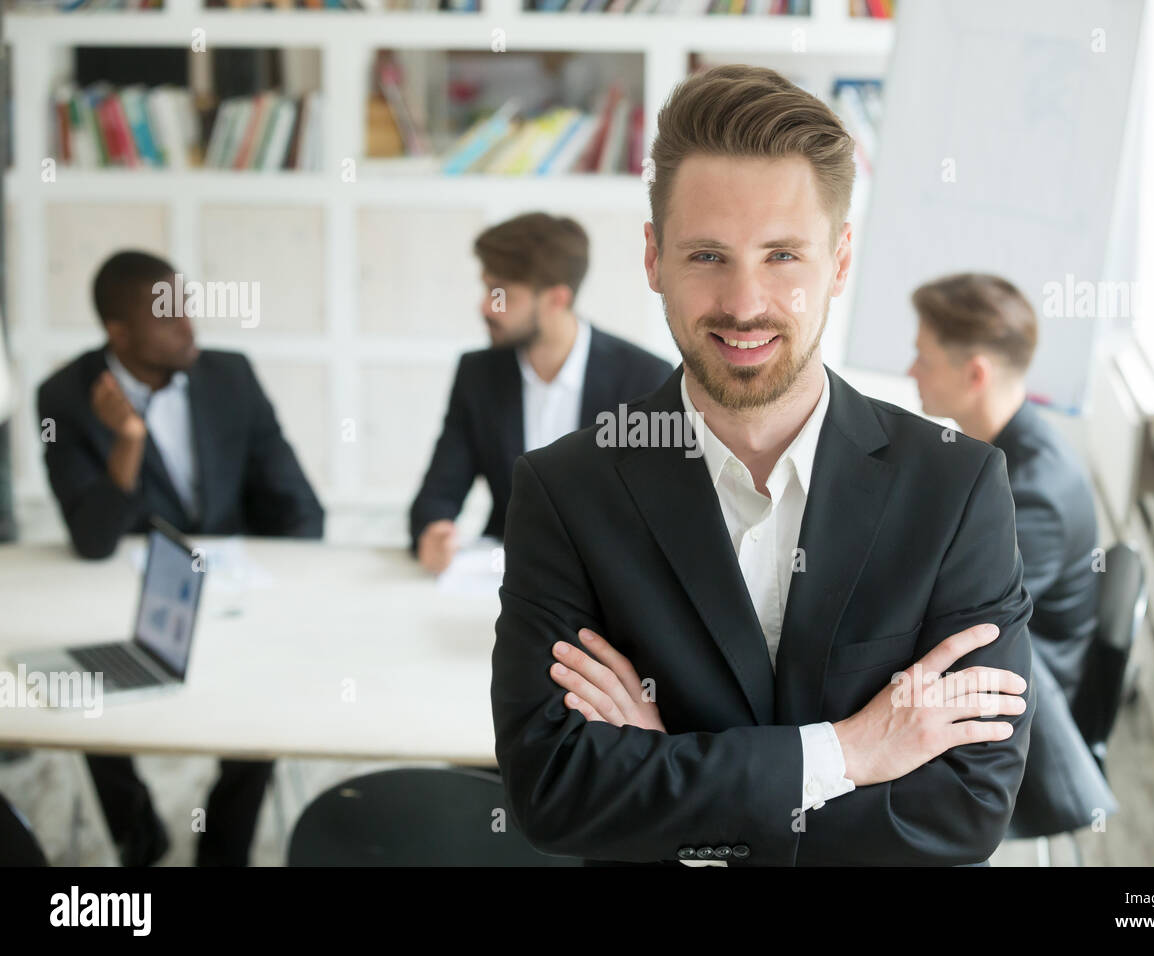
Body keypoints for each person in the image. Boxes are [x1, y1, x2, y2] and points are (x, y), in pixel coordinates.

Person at [490, 65, 1036, 866]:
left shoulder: (956, 489)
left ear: (840, 262)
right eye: (708, 255)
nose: (744, 304)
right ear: (653, 259)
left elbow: (964, 810)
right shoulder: (565, 491)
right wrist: (847, 753)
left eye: (783, 256)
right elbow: (554, 789)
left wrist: (673, 781)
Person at [37, 249, 324, 865]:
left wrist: (289, 585)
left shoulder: (230, 375)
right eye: (168, 317)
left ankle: (223, 848)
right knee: (85, 695)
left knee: (263, 707)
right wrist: (128, 441)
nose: (190, 327)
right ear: (119, 332)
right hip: (123, 594)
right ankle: (139, 836)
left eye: (188, 308)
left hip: (234, 588)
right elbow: (91, 540)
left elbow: (297, 503)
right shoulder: (63, 397)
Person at [907, 272, 1115, 839]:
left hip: (1025, 713)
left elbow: (958, 619)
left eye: (923, 357)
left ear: (974, 374)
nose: (911, 370)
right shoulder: (1006, 449)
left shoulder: (1036, 489)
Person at [409, 213, 673, 574]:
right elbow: (436, 497)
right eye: (487, 290)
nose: (486, 306)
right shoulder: (478, 375)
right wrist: (433, 532)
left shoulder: (646, 377)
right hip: (501, 576)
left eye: (501, 294)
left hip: (609, 586)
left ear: (556, 299)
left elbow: (664, 519)